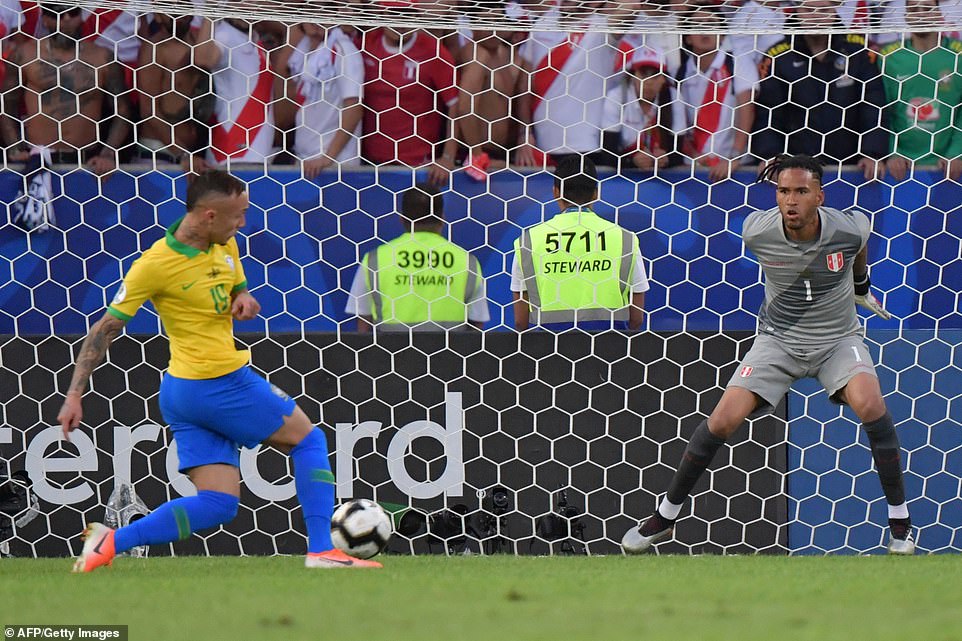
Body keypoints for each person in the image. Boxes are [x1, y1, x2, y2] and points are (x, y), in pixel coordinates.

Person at [59, 171, 381, 571]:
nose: (242, 223)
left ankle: (109, 543)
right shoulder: (155, 264)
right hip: (216, 382)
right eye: (237, 215)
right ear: (209, 215)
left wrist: (243, 298)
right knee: (309, 440)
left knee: (218, 504)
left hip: (181, 392)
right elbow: (105, 329)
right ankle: (322, 551)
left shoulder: (224, 242)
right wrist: (74, 394)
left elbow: (235, 286)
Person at [622, 154, 914, 555]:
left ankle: (900, 523)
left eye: (801, 191)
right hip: (777, 341)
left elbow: (861, 240)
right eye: (783, 191)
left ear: (819, 197)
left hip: (837, 340)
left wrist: (860, 285)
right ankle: (666, 515)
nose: (790, 200)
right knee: (722, 420)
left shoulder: (847, 228)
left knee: (871, 404)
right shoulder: (757, 231)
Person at [752, 0, 888, 180]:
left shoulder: (858, 52)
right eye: (809, 9)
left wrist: (872, 153)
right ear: (797, 11)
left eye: (823, 9)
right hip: (795, 171)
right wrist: (770, 154)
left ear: (835, 10)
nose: (816, 15)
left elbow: (873, 105)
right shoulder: (779, 56)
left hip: (853, 169)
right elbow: (768, 111)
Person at [510, 156, 648, 331]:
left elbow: (520, 322)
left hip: (549, 346)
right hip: (611, 345)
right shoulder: (625, 239)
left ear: (556, 192)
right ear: (596, 193)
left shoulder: (528, 242)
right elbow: (636, 318)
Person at [0, 3, 132, 173]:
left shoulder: (103, 57)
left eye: (73, 13)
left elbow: (122, 111)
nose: (66, 19)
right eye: (57, 14)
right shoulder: (25, 55)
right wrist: (14, 147)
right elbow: (6, 106)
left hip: (87, 160)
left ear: (81, 16)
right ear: (45, 19)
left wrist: (108, 153)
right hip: (38, 159)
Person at [345, 183, 489, 332]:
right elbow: (477, 323)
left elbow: (363, 322)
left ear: (402, 219)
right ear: (442, 218)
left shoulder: (375, 259)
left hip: (390, 347)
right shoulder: (466, 261)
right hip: (450, 347)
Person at [359, 2, 460, 186]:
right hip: (369, 162)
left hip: (418, 165)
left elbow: (456, 105)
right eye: (394, 14)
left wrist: (448, 157)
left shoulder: (433, 51)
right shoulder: (366, 45)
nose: (401, 21)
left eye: (407, 14)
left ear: (417, 17)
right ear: (381, 15)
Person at [671, 3, 755, 182]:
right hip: (693, 164)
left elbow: (747, 110)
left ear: (722, 35)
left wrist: (734, 157)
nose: (705, 30)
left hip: (734, 166)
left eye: (711, 24)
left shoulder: (738, 62)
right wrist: (692, 155)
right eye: (697, 25)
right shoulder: (681, 72)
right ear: (687, 37)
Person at [879, 0, 962, 181]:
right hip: (901, 166)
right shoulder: (889, 57)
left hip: (949, 165)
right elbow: (882, 110)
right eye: (914, 9)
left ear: (939, 13)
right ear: (905, 16)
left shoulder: (958, 55)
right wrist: (893, 152)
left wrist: (957, 152)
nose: (920, 13)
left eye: (927, 7)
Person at [275, 22, 364, 177]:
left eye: (323, 10)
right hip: (306, 161)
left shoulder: (344, 51)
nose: (316, 18)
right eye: (312, 10)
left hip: (335, 165)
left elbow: (354, 108)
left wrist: (328, 158)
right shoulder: (302, 51)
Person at [189, 17, 277, 169]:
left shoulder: (253, 37)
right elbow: (203, 59)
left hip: (257, 150)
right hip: (233, 148)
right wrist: (210, 16)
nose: (251, 6)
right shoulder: (224, 35)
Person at [135, 14, 211, 165]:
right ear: (157, 16)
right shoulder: (154, 49)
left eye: (181, 4)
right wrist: (183, 155)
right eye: (170, 6)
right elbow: (148, 111)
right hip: (159, 153)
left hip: (196, 152)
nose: (177, 14)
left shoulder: (201, 44)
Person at [602, 44, 672, 172]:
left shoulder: (673, 98)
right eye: (643, 74)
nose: (649, 82)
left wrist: (666, 159)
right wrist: (632, 161)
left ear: (664, 79)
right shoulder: (617, 97)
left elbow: (678, 153)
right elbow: (607, 153)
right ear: (633, 75)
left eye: (655, 75)